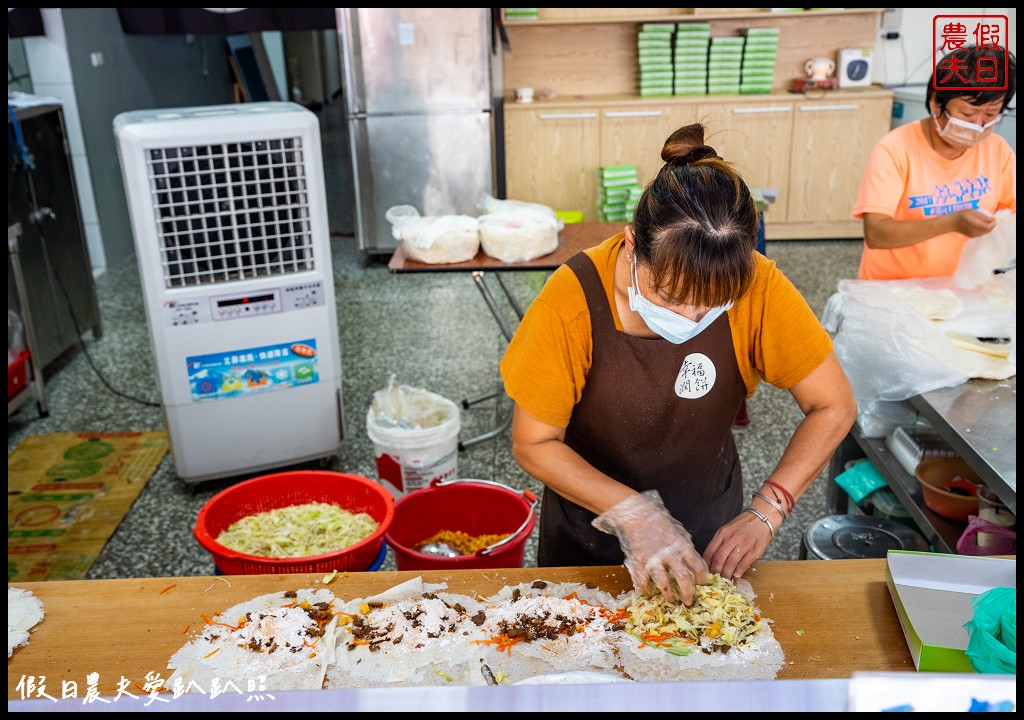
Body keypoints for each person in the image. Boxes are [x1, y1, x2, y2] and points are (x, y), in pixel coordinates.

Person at [499, 123, 857, 605]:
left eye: (713, 303)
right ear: (631, 244)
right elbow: (534, 443)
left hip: (709, 530)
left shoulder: (760, 286)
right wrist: (635, 515)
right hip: (586, 535)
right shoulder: (572, 300)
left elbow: (833, 406)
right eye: (670, 295)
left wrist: (768, 509)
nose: (691, 318)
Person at [854, 45, 1016, 281]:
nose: (979, 125)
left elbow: (1009, 211)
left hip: (966, 285)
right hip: (893, 288)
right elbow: (877, 233)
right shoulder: (894, 150)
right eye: (968, 115)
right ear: (935, 102)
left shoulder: (997, 149)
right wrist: (951, 222)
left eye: (990, 115)